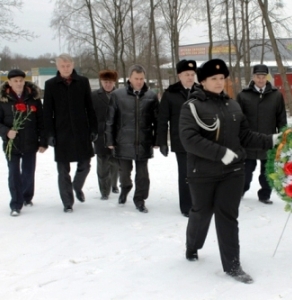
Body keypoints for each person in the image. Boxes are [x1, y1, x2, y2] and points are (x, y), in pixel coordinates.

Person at [179, 59, 280, 283]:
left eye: (221, 78)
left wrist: (272, 140)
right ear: (202, 81)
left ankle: (233, 265)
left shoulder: (233, 105)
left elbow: (245, 135)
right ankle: (192, 245)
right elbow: (189, 139)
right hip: (202, 172)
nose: (218, 82)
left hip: (233, 172)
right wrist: (220, 153)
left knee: (227, 216)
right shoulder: (192, 107)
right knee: (201, 212)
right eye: (213, 78)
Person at [43, 53, 98, 213]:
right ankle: (67, 201)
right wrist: (50, 134)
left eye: (68, 65)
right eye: (62, 66)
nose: (66, 69)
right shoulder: (51, 84)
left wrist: (93, 128)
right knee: (63, 170)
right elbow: (47, 111)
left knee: (85, 165)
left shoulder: (82, 82)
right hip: (61, 132)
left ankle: (77, 185)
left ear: (73, 65)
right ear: (58, 67)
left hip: (82, 130)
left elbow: (90, 107)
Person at [105, 64, 159, 213]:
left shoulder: (151, 96)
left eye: (142, 78)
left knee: (142, 175)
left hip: (143, 141)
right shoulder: (117, 95)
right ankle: (125, 189)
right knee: (124, 172)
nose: (139, 81)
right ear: (130, 78)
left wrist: (157, 140)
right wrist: (109, 140)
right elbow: (110, 120)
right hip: (123, 141)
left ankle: (140, 199)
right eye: (136, 78)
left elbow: (158, 121)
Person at [237, 64, 287, 204]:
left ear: (267, 77)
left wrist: (283, 137)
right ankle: (240, 191)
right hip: (248, 142)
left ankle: (265, 195)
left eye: (263, 76)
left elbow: (281, 118)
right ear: (253, 77)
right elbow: (238, 120)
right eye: (258, 76)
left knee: (267, 172)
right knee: (246, 172)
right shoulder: (243, 95)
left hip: (269, 141)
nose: (260, 79)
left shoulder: (276, 95)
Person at [0, 69, 47, 216]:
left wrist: (43, 141)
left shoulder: (33, 98)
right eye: (15, 81)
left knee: (28, 173)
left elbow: (41, 121)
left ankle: (27, 196)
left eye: (21, 80)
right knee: (14, 173)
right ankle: (16, 203)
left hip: (30, 142)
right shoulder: (2, 99)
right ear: (9, 83)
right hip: (11, 144)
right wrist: (7, 132)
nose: (18, 83)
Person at [156, 59, 198, 217]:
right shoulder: (170, 94)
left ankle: (199, 202)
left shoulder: (201, 92)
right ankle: (187, 206)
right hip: (180, 140)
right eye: (187, 74)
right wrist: (162, 142)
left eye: (192, 74)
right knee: (186, 174)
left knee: (199, 173)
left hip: (200, 141)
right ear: (179, 75)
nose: (190, 77)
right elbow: (162, 119)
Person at [92, 70, 120, 200]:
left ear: (114, 82)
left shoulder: (121, 95)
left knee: (115, 163)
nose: (108, 84)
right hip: (100, 134)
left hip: (117, 134)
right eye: (105, 82)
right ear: (101, 82)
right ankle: (104, 190)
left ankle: (113, 184)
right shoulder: (94, 96)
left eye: (110, 82)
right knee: (102, 164)